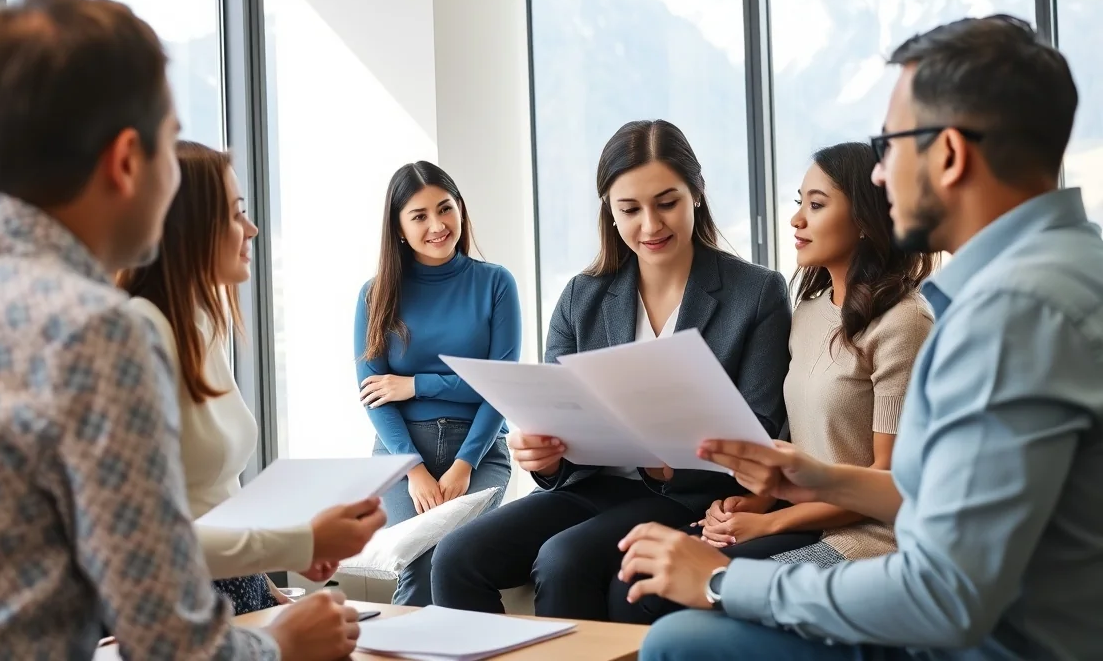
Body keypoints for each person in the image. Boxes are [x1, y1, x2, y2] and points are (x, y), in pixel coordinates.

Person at [0, 0, 360, 661]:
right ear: (126, 161)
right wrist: (285, 647)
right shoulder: (94, 331)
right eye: (171, 146)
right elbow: (174, 644)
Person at [622, 15, 1103, 661]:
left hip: (995, 645)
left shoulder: (1010, 314)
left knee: (679, 641)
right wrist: (817, 475)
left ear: (951, 155)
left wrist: (720, 579)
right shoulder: (1074, 266)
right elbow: (949, 497)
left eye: (890, 146)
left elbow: (944, 595)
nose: (878, 176)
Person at [432, 119, 791, 620]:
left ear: (697, 194)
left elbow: (764, 424)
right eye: (630, 209)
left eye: (667, 202)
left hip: (688, 496)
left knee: (564, 560)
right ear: (610, 211)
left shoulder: (757, 293)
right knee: (456, 558)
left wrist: (676, 455)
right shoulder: (583, 295)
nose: (651, 225)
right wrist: (545, 455)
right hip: (595, 486)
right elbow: (555, 410)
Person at [613, 141, 934, 624]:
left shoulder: (903, 322)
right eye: (799, 203)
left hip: (866, 539)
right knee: (634, 582)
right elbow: (796, 440)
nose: (797, 220)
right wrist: (750, 502)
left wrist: (770, 521)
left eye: (817, 205)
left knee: (672, 598)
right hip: (804, 518)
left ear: (865, 219)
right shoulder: (808, 312)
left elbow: (888, 481)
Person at [119, 142, 385, 614]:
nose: (253, 229)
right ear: (188, 227)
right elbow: (146, 540)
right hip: (178, 603)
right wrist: (297, 543)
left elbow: (218, 492)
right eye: (235, 214)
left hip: (231, 587)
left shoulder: (203, 323)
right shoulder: (141, 333)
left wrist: (265, 578)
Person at [353, 161, 520, 606]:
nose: (437, 225)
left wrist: (416, 385)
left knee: (456, 562)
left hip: (480, 451)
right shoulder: (375, 295)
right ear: (399, 228)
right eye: (420, 216)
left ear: (460, 210)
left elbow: (501, 387)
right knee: (419, 566)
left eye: (445, 209)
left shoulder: (496, 283)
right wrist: (415, 472)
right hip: (400, 455)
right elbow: (374, 396)